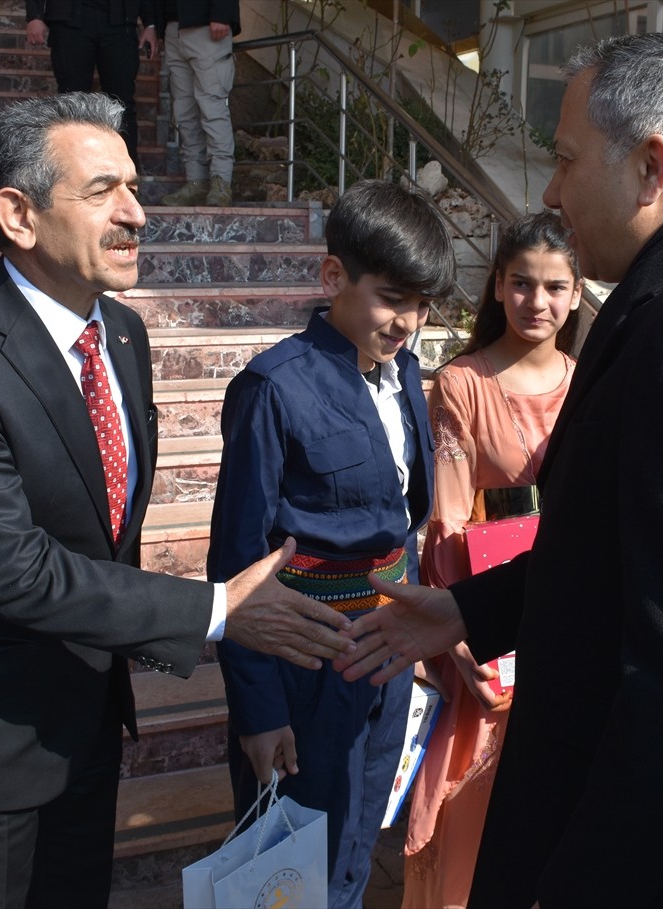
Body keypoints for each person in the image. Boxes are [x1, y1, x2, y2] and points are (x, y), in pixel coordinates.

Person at [336, 33, 663, 908]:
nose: (551, 189)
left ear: (651, 166)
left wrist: (575, 882)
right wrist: (469, 606)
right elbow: (620, 551)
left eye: (568, 159)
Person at [0, 92, 356, 909]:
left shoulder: (121, 335)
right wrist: (216, 608)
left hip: (85, 724)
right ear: (18, 214)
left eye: (134, 187)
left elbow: (104, 532)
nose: (136, 212)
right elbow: (17, 570)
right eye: (103, 192)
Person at [207, 178, 456, 909]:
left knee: (354, 839)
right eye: (390, 297)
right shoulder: (274, 387)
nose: (406, 320)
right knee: (285, 862)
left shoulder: (405, 373)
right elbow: (236, 566)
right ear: (333, 277)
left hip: (383, 651)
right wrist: (258, 709)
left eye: (420, 302)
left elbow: (400, 521)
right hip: (301, 654)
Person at [403, 211, 581, 909]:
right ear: (498, 287)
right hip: (488, 624)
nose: (538, 303)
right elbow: (447, 524)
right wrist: (467, 637)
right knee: (475, 818)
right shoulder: (463, 383)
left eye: (556, 287)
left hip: (569, 616)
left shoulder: (589, 379)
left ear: (576, 292)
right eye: (523, 284)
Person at [25, 1, 159, 170]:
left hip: (120, 23)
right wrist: (35, 16)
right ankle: (71, 171)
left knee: (122, 103)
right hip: (70, 23)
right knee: (71, 103)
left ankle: (126, 177)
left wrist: (150, 24)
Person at [159, 0, 240, 207]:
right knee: (184, 112)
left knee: (212, 108)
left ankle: (221, 181)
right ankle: (196, 181)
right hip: (173, 27)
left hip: (207, 26)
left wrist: (222, 12)